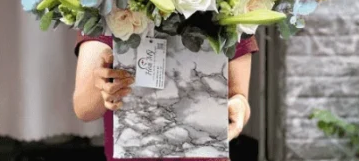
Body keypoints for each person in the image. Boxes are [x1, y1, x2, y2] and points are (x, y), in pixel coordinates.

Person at [73, 33, 258, 160]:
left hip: (206, 153)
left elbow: (239, 96)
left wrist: (239, 106)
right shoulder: (112, 4)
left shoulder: (228, 3)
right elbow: (84, 109)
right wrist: (103, 86)